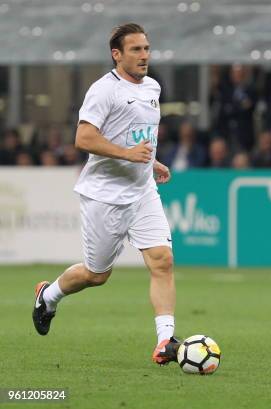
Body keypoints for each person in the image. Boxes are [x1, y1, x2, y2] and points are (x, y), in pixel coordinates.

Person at [31, 23, 181, 367]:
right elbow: (84, 139)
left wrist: (152, 161)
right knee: (96, 275)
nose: (144, 56)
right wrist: (128, 155)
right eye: (136, 50)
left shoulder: (153, 87)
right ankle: (48, 295)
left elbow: (136, 134)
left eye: (146, 48)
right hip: (105, 196)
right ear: (117, 54)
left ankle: (165, 341)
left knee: (162, 260)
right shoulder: (103, 90)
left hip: (142, 191)